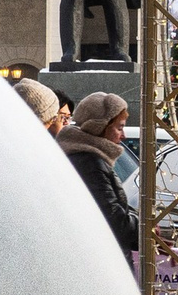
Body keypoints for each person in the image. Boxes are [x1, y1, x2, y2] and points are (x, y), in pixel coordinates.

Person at [57, 91, 139, 253]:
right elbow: (115, 222)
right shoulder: (91, 164)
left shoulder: (89, 159)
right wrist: (145, 227)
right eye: (119, 128)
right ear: (100, 128)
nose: (123, 136)